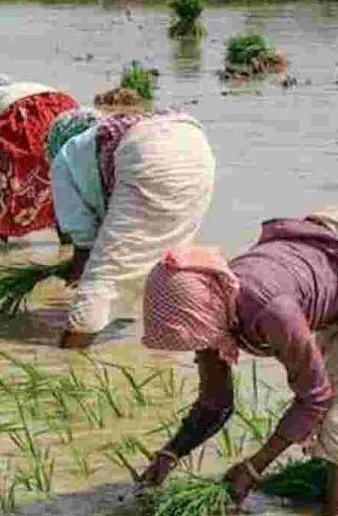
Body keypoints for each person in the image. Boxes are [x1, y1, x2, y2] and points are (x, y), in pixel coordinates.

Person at [138, 205, 338, 516]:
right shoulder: (213, 306)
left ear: (205, 313)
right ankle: (315, 494)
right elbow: (216, 402)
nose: (197, 346)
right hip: (334, 245)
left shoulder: (272, 311)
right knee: (327, 412)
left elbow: (314, 397)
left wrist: (255, 466)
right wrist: (171, 452)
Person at [46, 110, 216, 347]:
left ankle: (67, 361)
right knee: (168, 261)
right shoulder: (100, 139)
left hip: (148, 151)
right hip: (195, 145)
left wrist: (77, 271)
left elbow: (83, 239)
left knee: (103, 276)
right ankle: (171, 350)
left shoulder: (63, 159)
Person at [0, 74, 79, 262]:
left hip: (23, 115)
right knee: (61, 190)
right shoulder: (23, 88)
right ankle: (73, 255)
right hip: (66, 109)